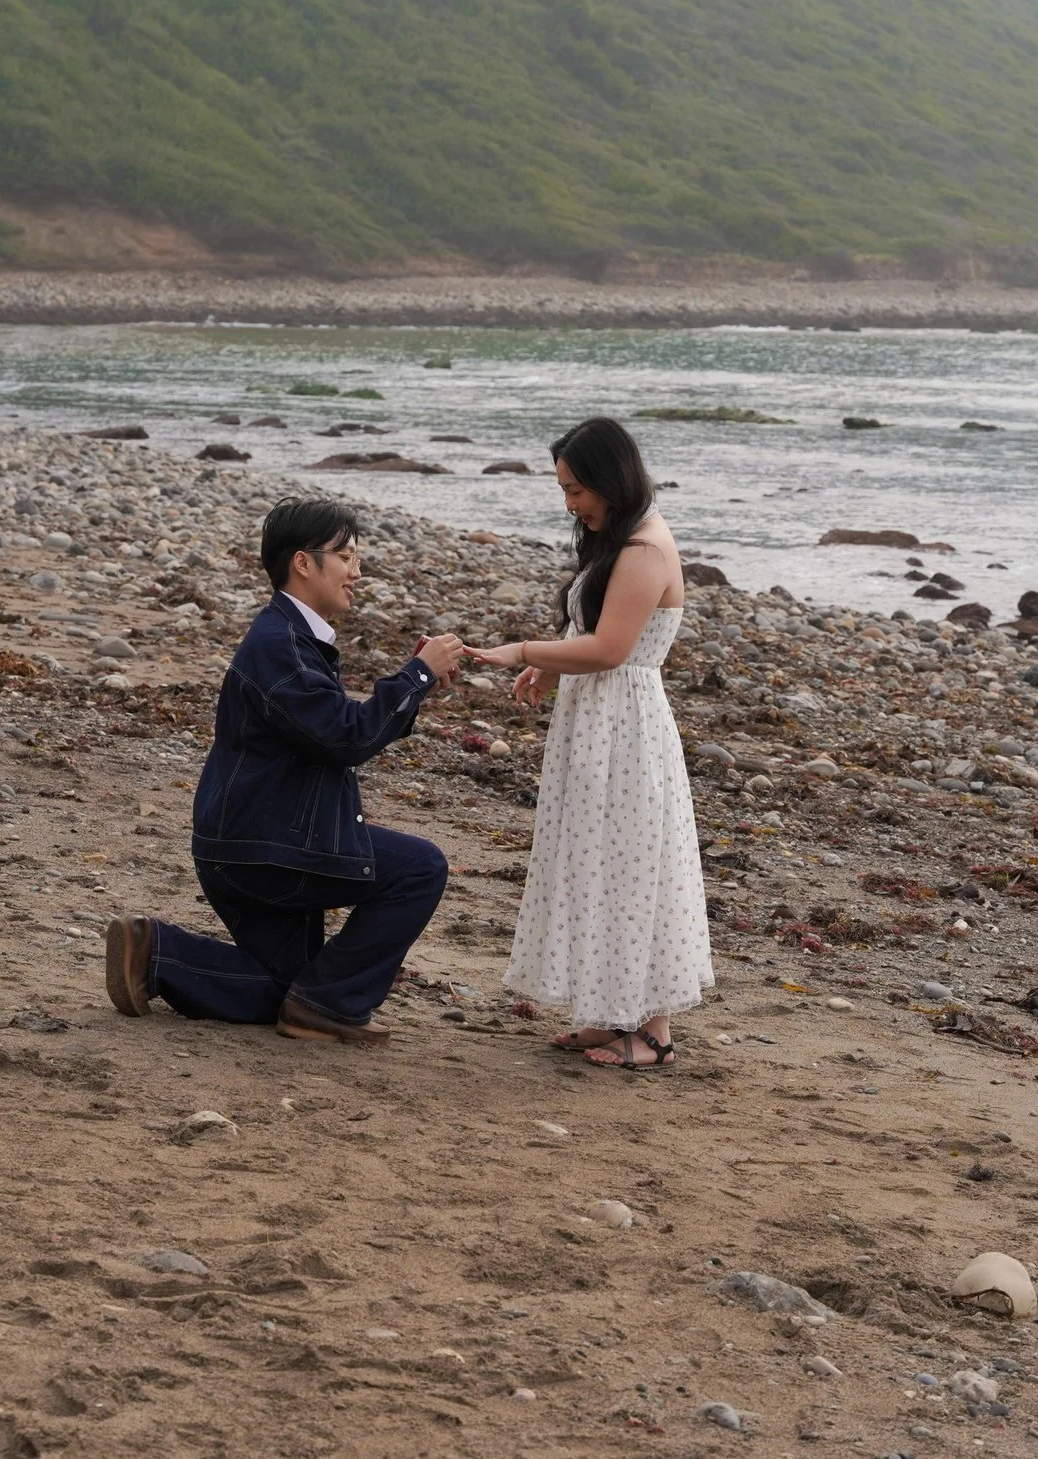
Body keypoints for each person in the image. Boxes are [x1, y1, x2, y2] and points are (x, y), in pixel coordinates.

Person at [102, 498, 464, 1046]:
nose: (357, 572)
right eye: (345, 556)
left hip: (252, 843)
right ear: (303, 562)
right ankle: (332, 1009)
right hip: (267, 849)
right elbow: (348, 736)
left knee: (284, 991)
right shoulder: (280, 645)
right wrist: (417, 675)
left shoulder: (290, 638)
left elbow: (333, 731)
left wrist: (416, 684)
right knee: (420, 868)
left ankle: (157, 953)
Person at [465, 417, 711, 1070]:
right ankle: (612, 1013)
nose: (570, 503)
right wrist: (552, 665)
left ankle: (654, 1030)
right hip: (598, 722)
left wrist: (520, 648)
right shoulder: (619, 537)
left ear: (609, 478)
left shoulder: (646, 547)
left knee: (632, 866)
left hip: (626, 730)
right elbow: (596, 631)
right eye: (565, 490)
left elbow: (611, 648)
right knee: (598, 863)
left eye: (576, 489)